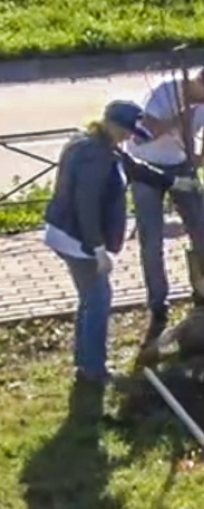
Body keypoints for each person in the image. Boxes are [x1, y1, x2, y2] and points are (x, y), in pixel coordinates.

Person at [42, 100, 183, 384]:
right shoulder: (95, 155)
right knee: (98, 300)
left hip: (68, 232)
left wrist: (172, 183)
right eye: (128, 131)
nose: (131, 137)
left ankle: (85, 364)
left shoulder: (100, 143)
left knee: (90, 299)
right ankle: (94, 370)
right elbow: (86, 204)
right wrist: (96, 249)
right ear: (113, 124)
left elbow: (132, 167)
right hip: (76, 237)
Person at [128, 60, 204, 340]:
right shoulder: (165, 92)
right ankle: (158, 304)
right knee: (151, 240)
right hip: (146, 168)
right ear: (198, 80)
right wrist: (181, 120)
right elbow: (142, 137)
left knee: (202, 233)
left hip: (181, 166)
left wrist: (199, 160)